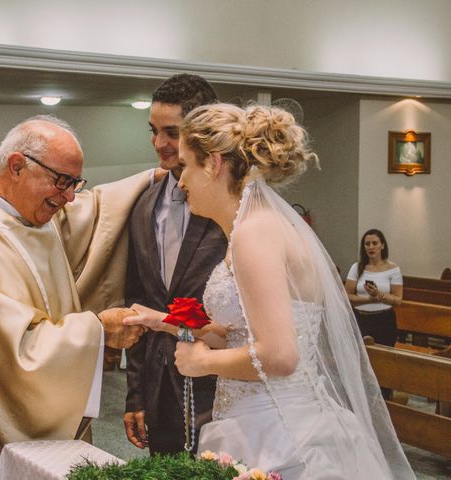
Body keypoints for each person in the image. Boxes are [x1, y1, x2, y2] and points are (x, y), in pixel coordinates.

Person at [124, 104, 415, 479]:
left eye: (187, 166)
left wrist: (201, 363)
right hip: (266, 416)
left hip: (279, 429)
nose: (181, 182)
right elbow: (239, 331)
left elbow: (279, 356)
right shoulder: (253, 228)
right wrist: (164, 322)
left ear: (213, 164)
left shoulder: (254, 234)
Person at [0, 115, 153, 480]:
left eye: (75, 183)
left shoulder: (26, 214)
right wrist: (98, 330)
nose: (69, 197)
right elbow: (13, 353)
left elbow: (94, 209)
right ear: (18, 166)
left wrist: (151, 177)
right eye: (62, 181)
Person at [123, 73, 226, 455]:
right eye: (153, 131)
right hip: (159, 384)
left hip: (221, 382)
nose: (158, 144)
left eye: (171, 132)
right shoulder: (145, 203)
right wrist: (136, 393)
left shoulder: (231, 208)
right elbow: (136, 298)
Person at [345, 229, 402, 399]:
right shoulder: (357, 267)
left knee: (383, 363)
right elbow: (346, 295)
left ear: (382, 245)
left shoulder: (393, 269)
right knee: (361, 361)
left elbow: (398, 300)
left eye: (375, 243)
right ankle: (361, 398)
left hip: (384, 320)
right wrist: (369, 300)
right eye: (367, 244)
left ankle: (384, 398)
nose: (371, 247)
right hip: (361, 319)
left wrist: (380, 295)